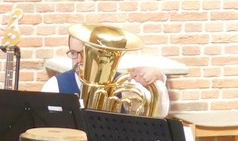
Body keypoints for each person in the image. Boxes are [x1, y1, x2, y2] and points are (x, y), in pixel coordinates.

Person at [42, 27, 171, 117]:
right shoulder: (55, 85)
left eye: (86, 53)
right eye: (74, 53)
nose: (79, 60)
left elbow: (160, 112)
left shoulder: (123, 84)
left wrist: (157, 76)